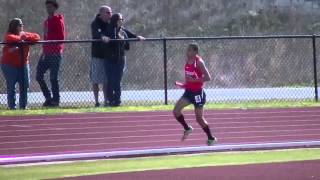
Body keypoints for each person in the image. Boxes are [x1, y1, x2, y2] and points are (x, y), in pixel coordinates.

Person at [173, 43, 217, 146]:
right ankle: (187, 128)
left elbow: (208, 78)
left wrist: (194, 80)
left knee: (199, 119)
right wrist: (185, 85)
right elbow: (189, 78)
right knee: (176, 111)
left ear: (195, 52)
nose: (187, 52)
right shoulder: (187, 61)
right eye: (187, 50)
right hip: (188, 92)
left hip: (198, 94)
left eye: (190, 50)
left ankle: (211, 138)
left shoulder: (199, 62)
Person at [104, 13, 144, 107]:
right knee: (110, 80)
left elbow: (131, 35)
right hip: (109, 59)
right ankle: (110, 100)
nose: (121, 21)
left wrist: (137, 37)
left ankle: (117, 101)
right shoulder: (109, 29)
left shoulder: (122, 30)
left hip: (120, 58)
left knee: (117, 80)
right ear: (115, 21)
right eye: (119, 20)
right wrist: (118, 38)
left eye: (122, 19)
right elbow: (110, 40)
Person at [1, 18, 40, 110]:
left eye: (22, 25)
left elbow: (37, 37)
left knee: (25, 85)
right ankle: (12, 107)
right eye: (20, 25)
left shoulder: (24, 34)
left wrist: (25, 37)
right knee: (11, 86)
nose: (22, 26)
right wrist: (22, 39)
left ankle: (23, 106)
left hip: (23, 64)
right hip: (9, 65)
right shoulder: (9, 35)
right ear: (14, 26)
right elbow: (10, 38)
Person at [36, 0, 65, 107]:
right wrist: (44, 51)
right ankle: (48, 97)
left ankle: (56, 100)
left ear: (54, 8)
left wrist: (53, 44)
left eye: (50, 7)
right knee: (39, 76)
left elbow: (62, 38)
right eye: (47, 7)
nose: (48, 8)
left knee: (53, 78)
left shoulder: (58, 20)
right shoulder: (46, 21)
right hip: (46, 53)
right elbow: (45, 37)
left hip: (55, 53)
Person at [90, 6, 112, 107]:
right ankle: (96, 101)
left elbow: (123, 30)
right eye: (108, 12)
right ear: (101, 13)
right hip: (97, 56)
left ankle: (106, 101)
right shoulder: (95, 23)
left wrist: (135, 36)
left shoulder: (111, 23)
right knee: (95, 80)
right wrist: (102, 37)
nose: (110, 14)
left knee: (106, 80)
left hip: (107, 56)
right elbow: (97, 34)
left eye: (110, 12)